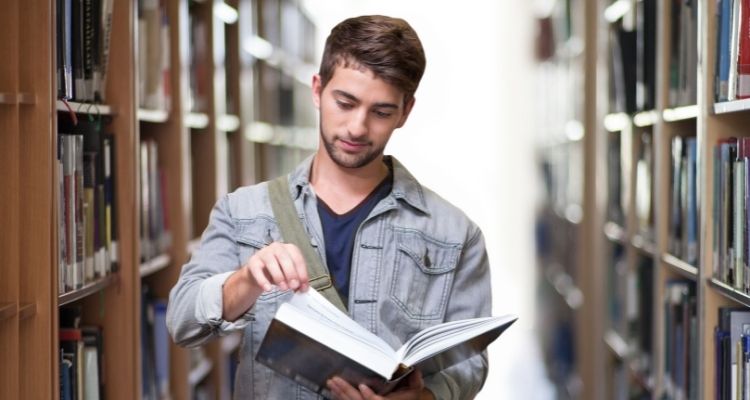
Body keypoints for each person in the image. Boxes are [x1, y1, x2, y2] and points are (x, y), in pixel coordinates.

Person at [167, 15, 492, 400]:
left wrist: (427, 397)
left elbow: (469, 364)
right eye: (345, 102)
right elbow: (182, 322)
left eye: (382, 112)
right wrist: (246, 280)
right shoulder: (243, 212)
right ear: (318, 90)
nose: (357, 127)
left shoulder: (455, 234)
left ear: (405, 112)